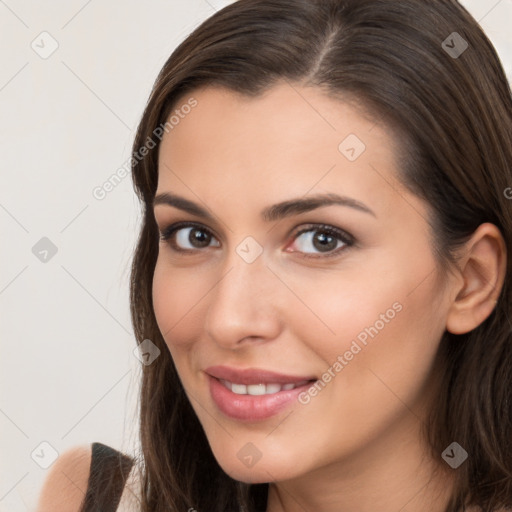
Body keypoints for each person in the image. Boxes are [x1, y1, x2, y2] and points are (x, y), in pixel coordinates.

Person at [36, 0, 512, 511]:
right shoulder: (96, 498)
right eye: (195, 235)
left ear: (471, 280)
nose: (228, 319)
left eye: (320, 240)